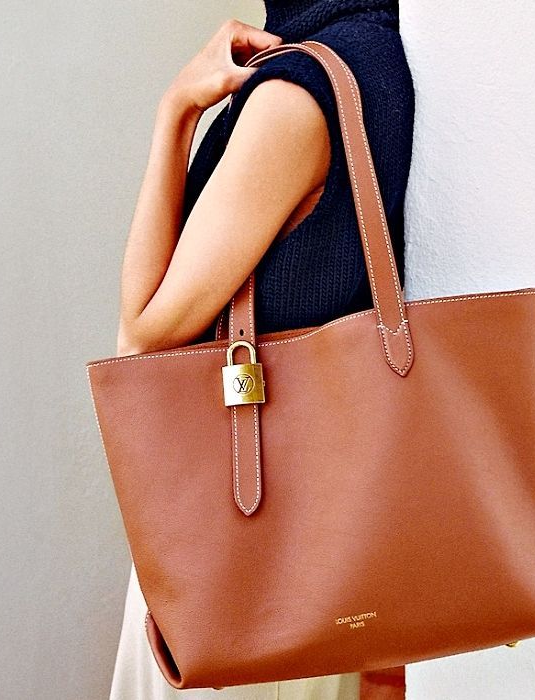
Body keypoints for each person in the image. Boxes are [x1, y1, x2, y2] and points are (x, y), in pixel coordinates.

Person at [108, 1, 414, 697]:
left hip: (236, 561)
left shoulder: (295, 95)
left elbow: (143, 334)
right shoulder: (387, 63)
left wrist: (176, 112)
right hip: (329, 557)